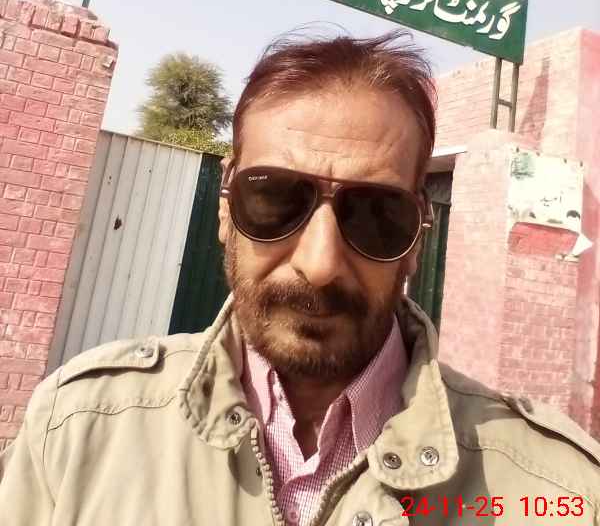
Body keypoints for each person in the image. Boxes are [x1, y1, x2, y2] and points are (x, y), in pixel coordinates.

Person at [1, 29, 599, 526]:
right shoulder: (79, 428)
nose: (320, 263)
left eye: (375, 215)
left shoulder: (557, 493)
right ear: (225, 207)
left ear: (418, 235)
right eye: (275, 199)